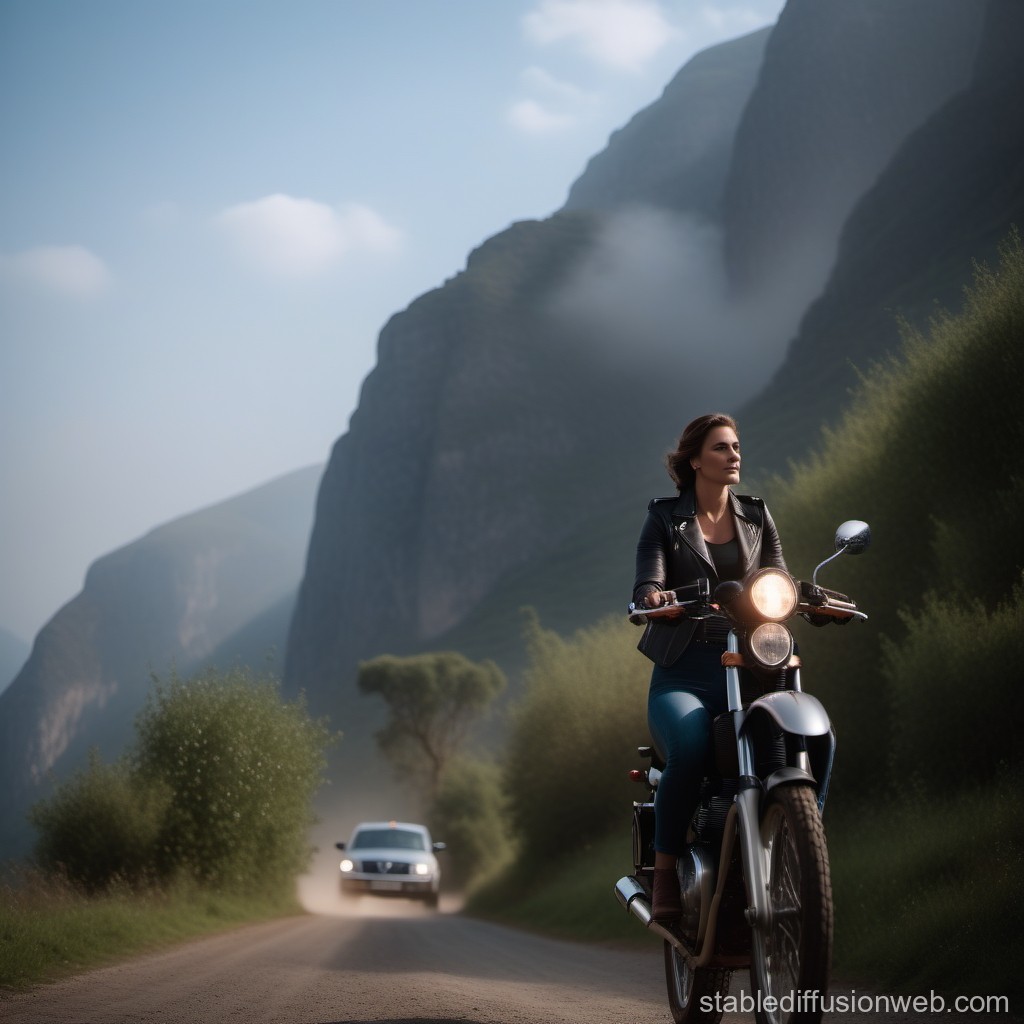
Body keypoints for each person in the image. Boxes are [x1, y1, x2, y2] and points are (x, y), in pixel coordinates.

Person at [632, 412, 787, 921]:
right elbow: (646, 583)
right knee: (694, 744)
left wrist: (808, 597)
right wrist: (655, 596)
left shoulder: (757, 516)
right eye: (722, 448)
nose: (734, 455)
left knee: (811, 736)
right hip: (684, 672)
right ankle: (664, 875)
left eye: (737, 446)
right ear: (695, 460)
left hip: (751, 664)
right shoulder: (663, 519)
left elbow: (779, 579)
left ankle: (798, 840)